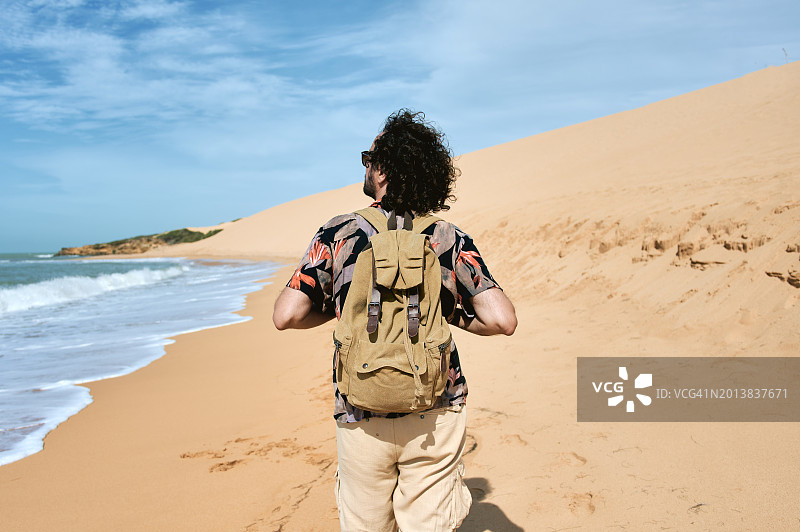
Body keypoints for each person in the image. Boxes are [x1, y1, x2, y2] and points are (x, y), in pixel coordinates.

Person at [273, 109, 517, 531]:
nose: (366, 165)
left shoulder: (339, 232)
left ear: (383, 169)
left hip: (359, 409)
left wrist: (339, 303)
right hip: (435, 408)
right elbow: (501, 320)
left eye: (369, 157)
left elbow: (286, 314)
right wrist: (450, 312)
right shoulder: (446, 237)